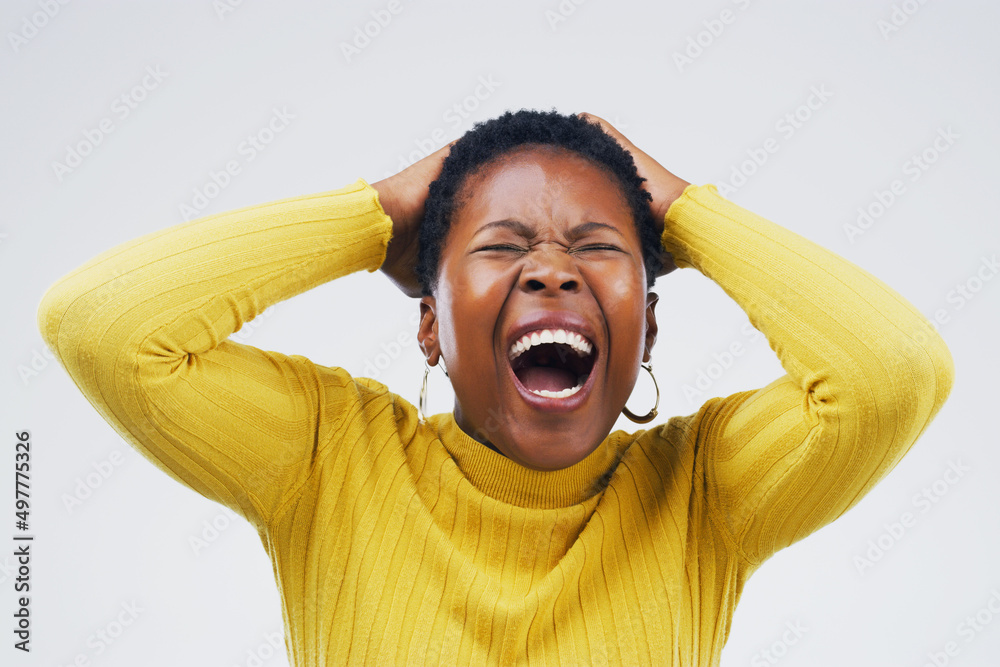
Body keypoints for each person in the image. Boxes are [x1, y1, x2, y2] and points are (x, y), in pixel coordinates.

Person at [37, 109, 954, 665]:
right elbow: (103, 326)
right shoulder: (327, 455)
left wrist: (684, 211)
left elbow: (893, 372)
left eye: (597, 248)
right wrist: (377, 215)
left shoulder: (704, 489)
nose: (551, 271)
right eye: (503, 246)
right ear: (430, 325)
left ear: (651, 328)